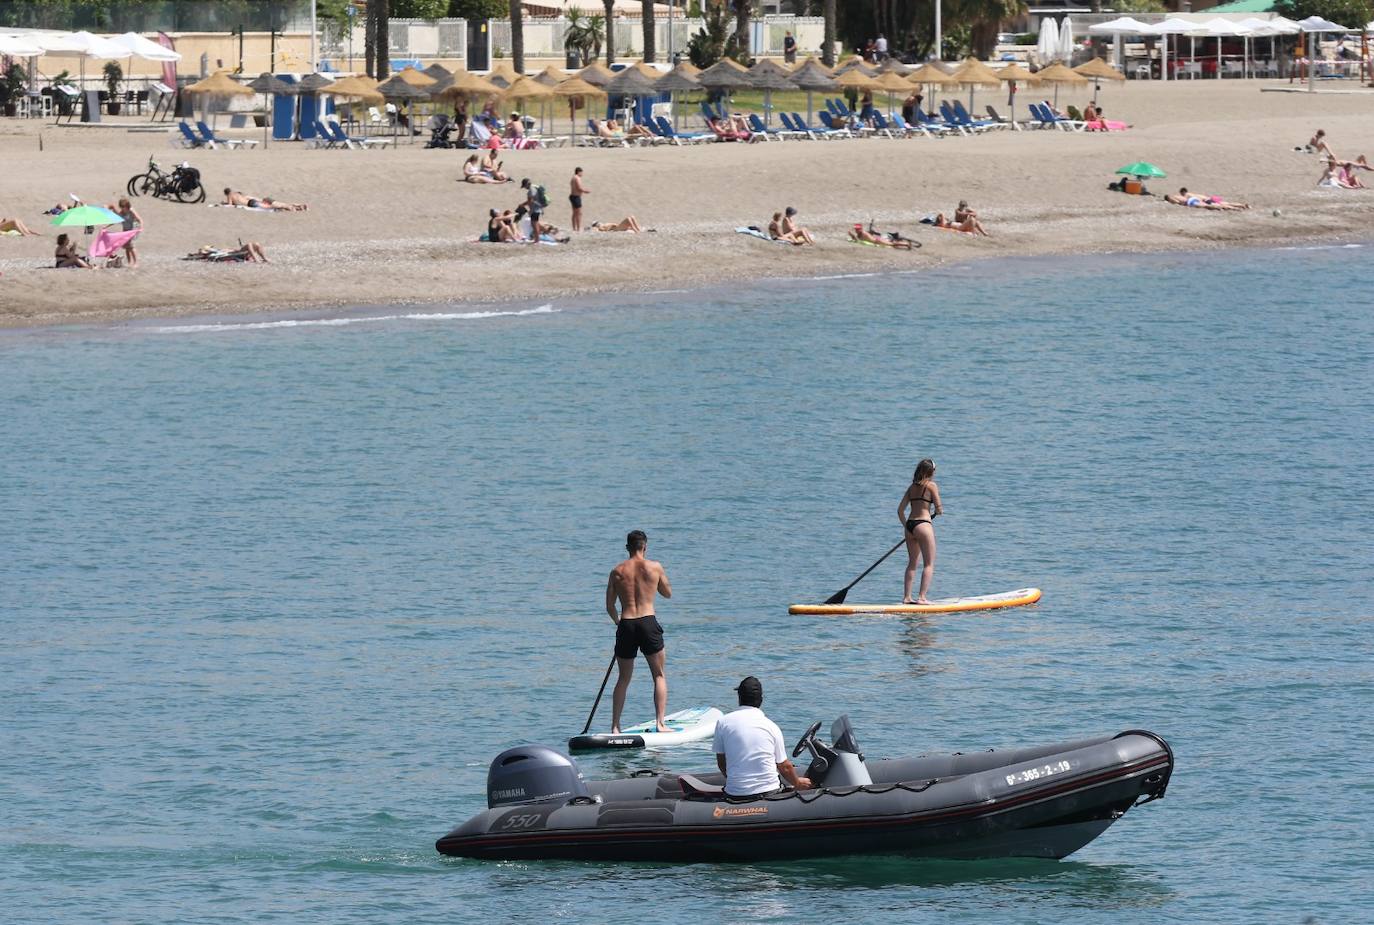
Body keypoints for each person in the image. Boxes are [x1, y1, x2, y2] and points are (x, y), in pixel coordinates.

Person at [606, 530, 672, 735]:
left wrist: (619, 622)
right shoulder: (655, 567)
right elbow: (667, 593)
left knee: (623, 678)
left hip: (626, 623)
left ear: (627, 547)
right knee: (659, 675)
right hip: (648, 622)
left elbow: (609, 606)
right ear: (645, 546)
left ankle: (615, 727)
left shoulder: (616, 571)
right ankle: (660, 724)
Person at [713, 677, 813, 798]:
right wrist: (797, 783)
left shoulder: (723, 722)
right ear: (761, 700)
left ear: (739, 698)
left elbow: (722, 763)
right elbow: (784, 767)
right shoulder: (771, 726)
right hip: (769, 793)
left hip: (735, 793)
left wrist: (736, 784)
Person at [898, 458, 942, 604]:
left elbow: (900, 511)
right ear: (931, 472)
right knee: (929, 564)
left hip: (910, 525)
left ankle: (906, 597)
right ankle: (922, 598)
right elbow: (939, 508)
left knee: (912, 563)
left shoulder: (911, 488)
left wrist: (907, 527)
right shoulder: (932, 486)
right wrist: (938, 510)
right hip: (924, 524)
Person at [108, 197, 142, 268]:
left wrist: (141, 227)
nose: (122, 208)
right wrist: (106, 226)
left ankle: (136, 263)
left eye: (123, 207)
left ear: (127, 206)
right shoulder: (122, 213)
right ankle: (129, 262)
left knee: (131, 247)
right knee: (127, 247)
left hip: (132, 231)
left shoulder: (131, 211)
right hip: (125, 232)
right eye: (121, 207)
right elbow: (116, 219)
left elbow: (139, 219)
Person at [221, 189, 307, 211]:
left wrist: (224, 203)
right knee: (274, 205)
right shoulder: (239, 194)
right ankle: (297, 206)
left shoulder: (230, 195)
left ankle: (294, 208)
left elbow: (230, 204)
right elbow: (250, 197)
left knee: (271, 207)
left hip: (251, 204)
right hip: (253, 201)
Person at [1167, 187, 1251, 210]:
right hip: (1210, 197)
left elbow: (1178, 202)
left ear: (1182, 192)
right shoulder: (1193, 194)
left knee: (1219, 206)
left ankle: (1234, 208)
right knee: (1226, 203)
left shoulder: (1185, 196)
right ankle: (1243, 205)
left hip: (1205, 200)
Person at [850, 221, 917, 249]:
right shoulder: (860, 233)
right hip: (877, 240)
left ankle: (907, 244)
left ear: (860, 229)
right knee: (892, 243)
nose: (856, 230)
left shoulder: (863, 233)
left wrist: (851, 235)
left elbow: (857, 240)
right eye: (856, 229)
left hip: (877, 241)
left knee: (892, 244)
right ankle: (905, 243)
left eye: (857, 229)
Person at [569, 166, 588, 231]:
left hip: (572, 196)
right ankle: (578, 228)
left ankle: (574, 228)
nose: (582, 174)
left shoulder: (573, 178)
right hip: (576, 197)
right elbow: (579, 188)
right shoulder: (577, 178)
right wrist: (585, 191)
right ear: (579, 172)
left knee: (574, 213)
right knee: (579, 213)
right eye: (581, 173)